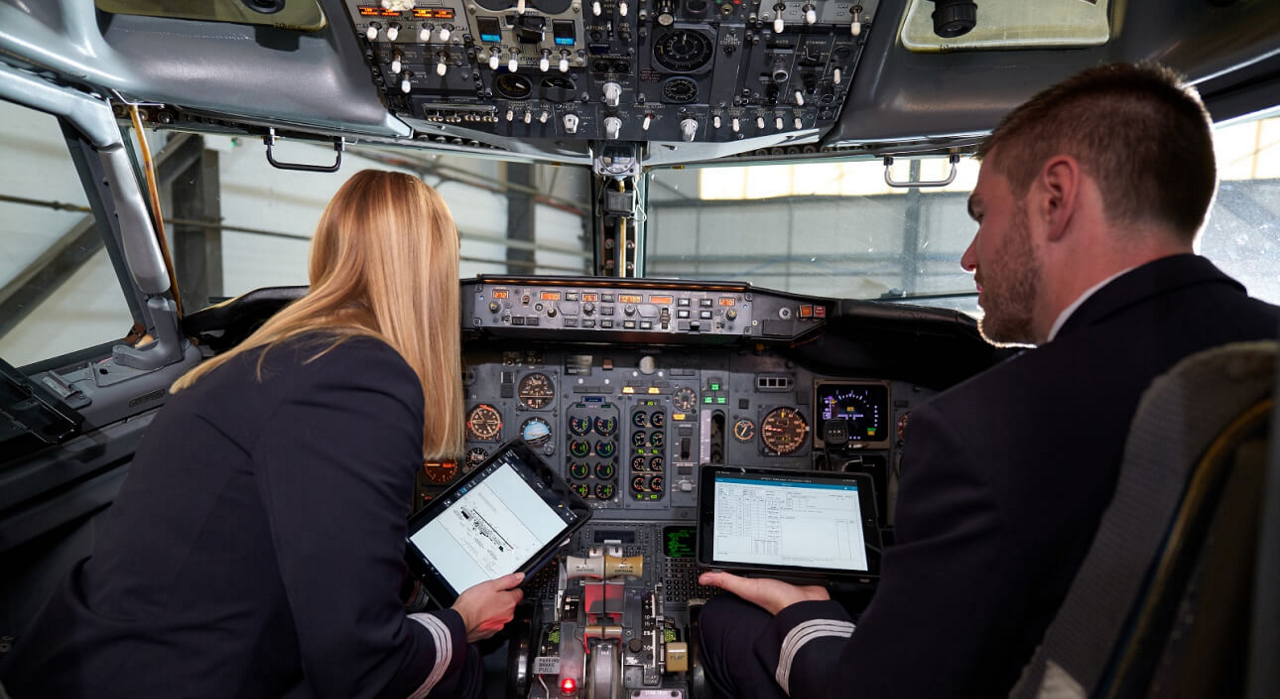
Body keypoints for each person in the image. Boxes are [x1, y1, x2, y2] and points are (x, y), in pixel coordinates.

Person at [695, 62, 1280, 698]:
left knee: (730, 618)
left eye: (982, 216)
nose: (970, 256)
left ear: (1056, 197)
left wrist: (805, 614)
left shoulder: (987, 426)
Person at [0, 170, 524, 699]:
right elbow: (363, 665)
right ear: (434, 275)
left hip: (99, 662)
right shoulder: (360, 376)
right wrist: (461, 623)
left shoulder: (274, 358)